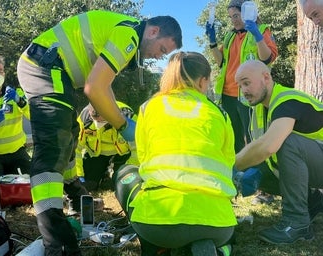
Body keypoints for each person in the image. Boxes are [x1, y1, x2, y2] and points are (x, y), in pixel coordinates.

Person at [16, 10, 182, 255]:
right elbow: (94, 88)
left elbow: (104, 86)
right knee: (54, 144)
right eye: (162, 49)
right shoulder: (129, 35)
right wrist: (124, 126)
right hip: (45, 66)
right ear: (154, 31)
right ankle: (57, 240)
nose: (158, 56)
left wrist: (120, 118)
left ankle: (73, 190)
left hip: (50, 67)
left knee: (69, 131)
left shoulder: (127, 30)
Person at [114, 52, 237, 256]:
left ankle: (156, 247)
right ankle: (222, 250)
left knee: (125, 172)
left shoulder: (148, 108)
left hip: (158, 223)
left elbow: (143, 159)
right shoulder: (220, 114)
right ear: (202, 80)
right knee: (221, 234)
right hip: (218, 224)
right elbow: (228, 162)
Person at [234, 60, 323, 244]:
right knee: (256, 164)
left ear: (266, 77)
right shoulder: (259, 111)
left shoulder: (286, 100)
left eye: (247, 82)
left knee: (287, 141)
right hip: (316, 161)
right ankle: (311, 200)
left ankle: (297, 223)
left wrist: (230, 164)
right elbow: (258, 152)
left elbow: (269, 146)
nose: (243, 90)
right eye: (240, 85)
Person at [206, 0, 278, 154]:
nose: (234, 20)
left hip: (249, 94)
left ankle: (257, 171)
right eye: (231, 17)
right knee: (233, 137)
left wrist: (257, 35)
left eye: (237, 15)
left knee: (253, 136)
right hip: (227, 95)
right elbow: (222, 62)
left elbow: (268, 58)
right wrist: (212, 42)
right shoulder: (230, 36)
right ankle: (237, 170)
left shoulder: (262, 30)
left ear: (246, 13)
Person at [75, 101, 137, 192]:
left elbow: (138, 149)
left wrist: (131, 170)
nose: (98, 125)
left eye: (102, 121)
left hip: (123, 155)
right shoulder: (84, 119)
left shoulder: (127, 118)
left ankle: (114, 176)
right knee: (88, 185)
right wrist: (79, 175)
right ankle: (103, 175)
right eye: (95, 119)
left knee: (123, 185)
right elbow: (76, 149)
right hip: (97, 155)